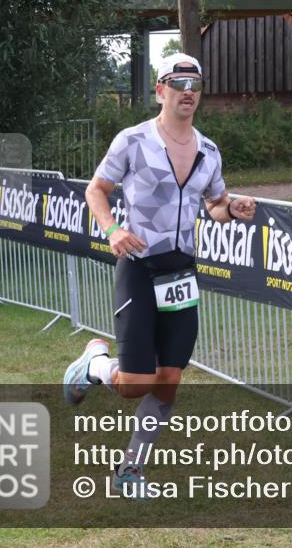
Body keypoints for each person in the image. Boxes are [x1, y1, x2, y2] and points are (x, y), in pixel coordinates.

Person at [63, 52, 256, 496]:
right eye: (178, 82)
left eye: (195, 84)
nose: (188, 91)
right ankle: (93, 364)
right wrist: (112, 229)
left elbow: (215, 205)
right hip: (138, 267)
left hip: (181, 273)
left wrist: (235, 208)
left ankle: (131, 470)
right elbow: (97, 189)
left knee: (168, 381)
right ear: (160, 90)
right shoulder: (132, 140)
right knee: (135, 384)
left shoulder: (208, 151)